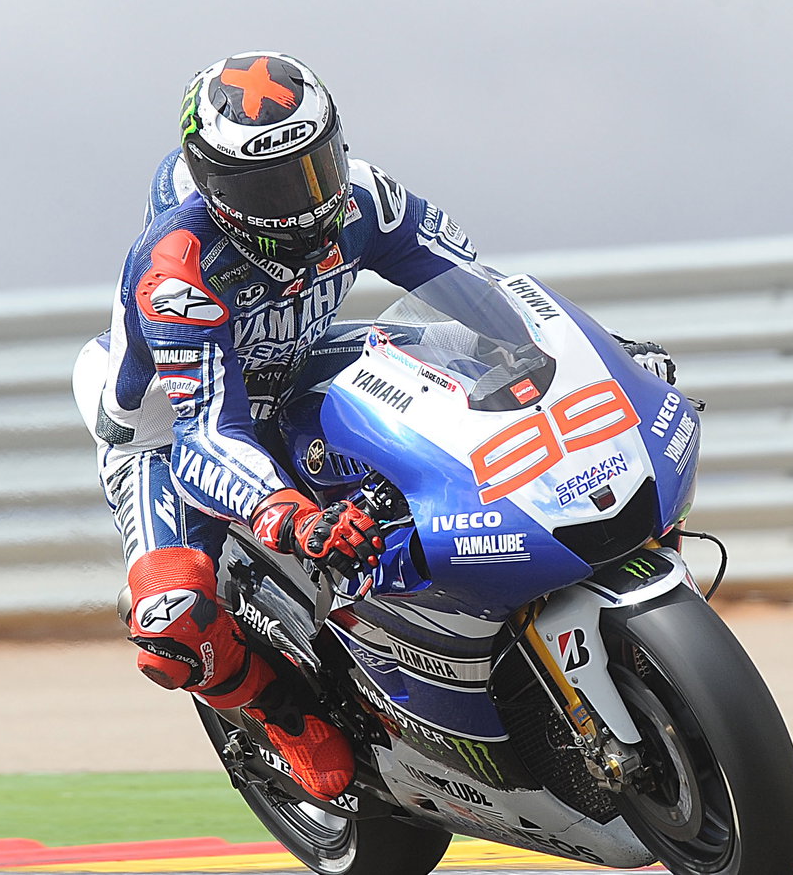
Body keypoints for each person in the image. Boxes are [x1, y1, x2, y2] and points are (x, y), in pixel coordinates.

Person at [71, 51, 673, 802]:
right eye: (269, 185)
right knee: (171, 618)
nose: (305, 201)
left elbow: (475, 295)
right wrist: (282, 510)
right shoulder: (177, 272)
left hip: (301, 361)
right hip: (169, 429)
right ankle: (280, 716)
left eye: (315, 166)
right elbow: (205, 435)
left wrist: (585, 360)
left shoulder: (366, 198)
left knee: (464, 376)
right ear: (214, 189)